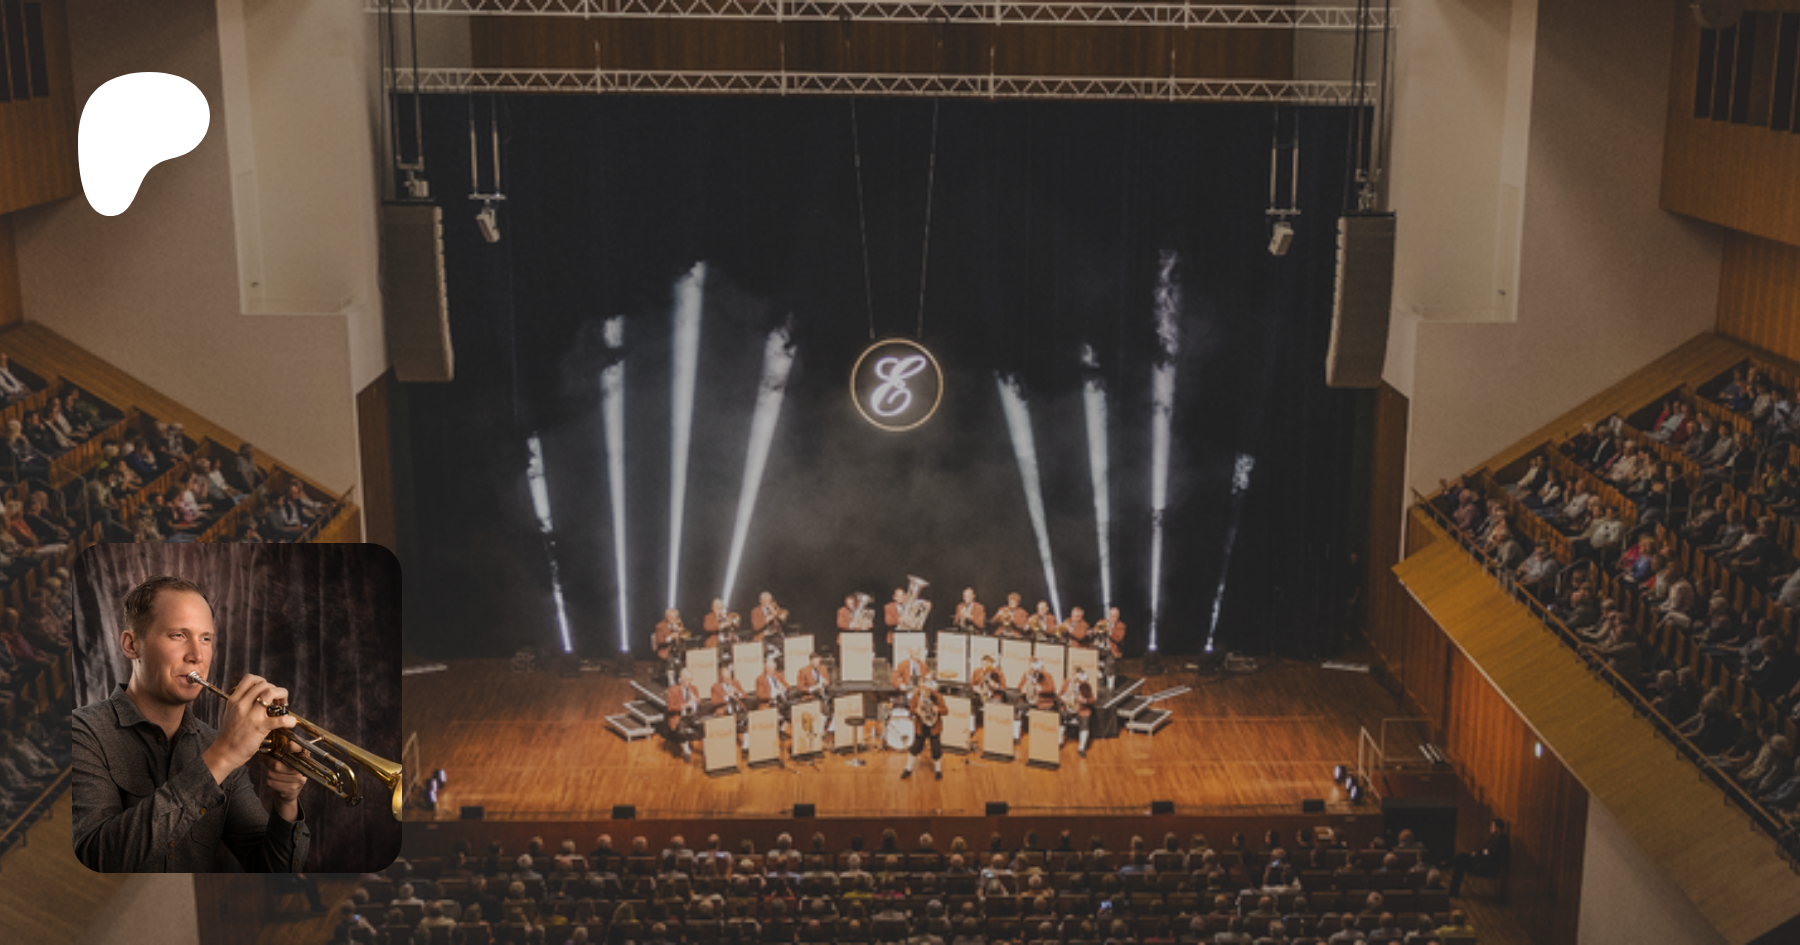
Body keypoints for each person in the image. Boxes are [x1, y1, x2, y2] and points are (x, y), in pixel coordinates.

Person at [71, 575, 310, 871]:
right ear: (132, 645)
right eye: (178, 635)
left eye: (205, 639)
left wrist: (286, 802)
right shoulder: (82, 732)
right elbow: (97, 859)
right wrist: (222, 757)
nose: (197, 656)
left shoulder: (215, 745)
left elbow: (273, 872)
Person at [902, 676, 948, 781]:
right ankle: (908, 769)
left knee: (936, 749)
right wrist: (916, 710)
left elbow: (945, 711)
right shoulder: (916, 696)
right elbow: (910, 710)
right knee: (916, 748)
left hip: (934, 727)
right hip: (921, 726)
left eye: (923, 685)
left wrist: (937, 709)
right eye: (920, 685)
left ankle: (938, 771)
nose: (921, 687)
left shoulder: (937, 696)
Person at [1446, 819, 1508, 895]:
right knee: (1461, 860)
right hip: (1480, 861)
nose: (1490, 828)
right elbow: (1485, 850)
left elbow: (1491, 857)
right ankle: (1453, 890)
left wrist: (1478, 856)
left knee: (1461, 860)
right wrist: (1477, 854)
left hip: (1485, 867)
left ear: (1497, 828)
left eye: (1492, 826)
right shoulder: (1493, 839)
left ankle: (1447, 864)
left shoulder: (1501, 842)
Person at [665, 669, 702, 760]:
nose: (689, 682)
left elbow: (699, 703)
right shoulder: (673, 690)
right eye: (687, 680)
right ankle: (686, 751)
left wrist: (696, 701)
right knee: (681, 730)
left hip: (692, 715)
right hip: (679, 716)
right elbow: (670, 707)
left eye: (690, 679)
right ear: (681, 679)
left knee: (703, 727)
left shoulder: (694, 689)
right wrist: (684, 706)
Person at [1061, 666, 1097, 757]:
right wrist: (1063, 698)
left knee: (1084, 722)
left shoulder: (1085, 685)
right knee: (1061, 717)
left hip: (1081, 709)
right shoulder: (1067, 683)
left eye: (1074, 674)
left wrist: (1084, 700)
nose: (1072, 676)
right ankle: (1060, 741)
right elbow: (1059, 695)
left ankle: (1081, 748)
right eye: (1072, 674)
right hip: (1069, 708)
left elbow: (1092, 700)